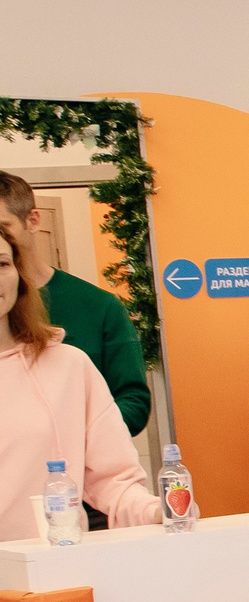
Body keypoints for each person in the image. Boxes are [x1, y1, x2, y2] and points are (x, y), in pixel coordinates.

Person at [1, 233, 157, 531]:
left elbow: (114, 481)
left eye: (2, 263)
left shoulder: (69, 365)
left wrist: (156, 512)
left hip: (59, 569)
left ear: (19, 277)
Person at [0, 172, 148, 434]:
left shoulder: (98, 306)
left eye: (3, 227)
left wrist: (74, 433)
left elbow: (133, 401)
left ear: (32, 220)